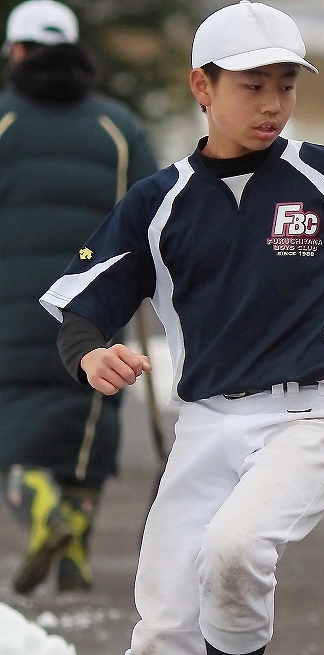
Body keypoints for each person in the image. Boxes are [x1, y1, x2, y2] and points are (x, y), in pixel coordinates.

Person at [40, 2, 324, 655]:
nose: (272, 102)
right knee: (161, 640)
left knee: (235, 550)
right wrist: (90, 354)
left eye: (286, 83)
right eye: (252, 85)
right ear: (202, 87)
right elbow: (83, 306)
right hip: (206, 426)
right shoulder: (158, 203)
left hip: (311, 416)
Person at [0, 0, 158, 595]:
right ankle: (76, 550)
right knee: (86, 424)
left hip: (7, 308)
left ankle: (42, 510)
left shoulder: (3, 122)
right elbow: (154, 210)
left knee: (14, 426)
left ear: (16, 52)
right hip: (93, 307)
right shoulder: (118, 126)